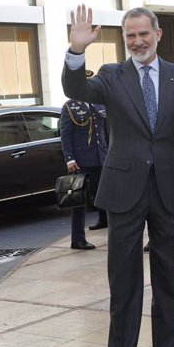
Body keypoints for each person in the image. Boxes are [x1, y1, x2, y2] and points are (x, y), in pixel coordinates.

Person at [62, 4, 174, 347]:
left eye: (144, 33)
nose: (138, 41)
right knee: (123, 282)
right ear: (124, 39)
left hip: (166, 190)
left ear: (158, 34)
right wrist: (77, 53)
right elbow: (77, 90)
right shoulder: (111, 76)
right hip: (123, 191)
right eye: (130, 36)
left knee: (167, 279)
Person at [60, 86, 109, 250]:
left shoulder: (100, 104)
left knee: (107, 194)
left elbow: (105, 131)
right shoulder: (70, 107)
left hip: (101, 157)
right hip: (82, 160)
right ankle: (77, 239)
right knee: (79, 200)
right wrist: (69, 159)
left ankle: (105, 221)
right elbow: (65, 135)